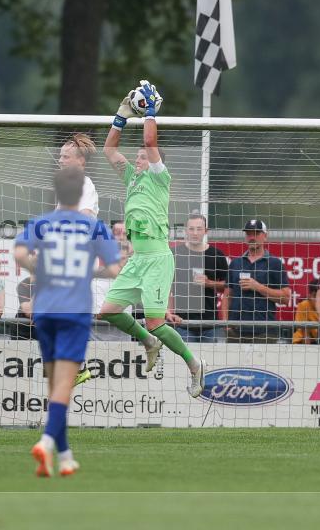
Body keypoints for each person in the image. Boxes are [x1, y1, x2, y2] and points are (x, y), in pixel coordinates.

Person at [98, 80, 206, 397]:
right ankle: (149, 342)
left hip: (157, 258)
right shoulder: (132, 177)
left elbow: (149, 138)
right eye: (138, 156)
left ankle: (194, 364)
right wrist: (121, 114)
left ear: (155, 160)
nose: (139, 158)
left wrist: (150, 112)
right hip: (138, 260)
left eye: (144, 156)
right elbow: (109, 150)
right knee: (108, 311)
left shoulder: (160, 177)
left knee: (155, 321)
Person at [14, 167, 121, 477]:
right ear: (82, 194)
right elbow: (114, 269)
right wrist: (89, 271)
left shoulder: (42, 222)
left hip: (44, 309)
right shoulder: (94, 227)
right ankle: (46, 441)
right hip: (74, 310)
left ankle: (65, 456)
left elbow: (19, 253)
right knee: (65, 383)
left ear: (57, 193)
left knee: (54, 384)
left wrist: (39, 268)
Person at [220, 219, 291, 343]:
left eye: (256, 233)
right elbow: (226, 296)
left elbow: (285, 298)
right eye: (249, 234)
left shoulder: (275, 263)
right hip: (236, 331)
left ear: (265, 236)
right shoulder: (236, 263)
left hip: (265, 332)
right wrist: (226, 323)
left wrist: (258, 287)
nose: (252, 237)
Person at [166, 213, 229, 342]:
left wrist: (209, 283)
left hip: (210, 323)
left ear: (206, 231)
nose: (195, 233)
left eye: (199, 229)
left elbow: (227, 287)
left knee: (210, 356)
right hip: (182, 323)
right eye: (191, 229)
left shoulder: (216, 254)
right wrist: (168, 312)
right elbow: (165, 287)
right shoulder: (174, 254)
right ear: (186, 231)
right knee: (184, 355)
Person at [57, 133, 99, 217]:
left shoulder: (85, 184)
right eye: (60, 156)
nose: (60, 160)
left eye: (66, 157)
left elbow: (84, 216)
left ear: (81, 161)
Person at [293, 280, 319, 345]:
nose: (318, 300)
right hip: (304, 340)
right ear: (309, 296)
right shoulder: (304, 305)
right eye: (315, 296)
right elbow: (303, 329)